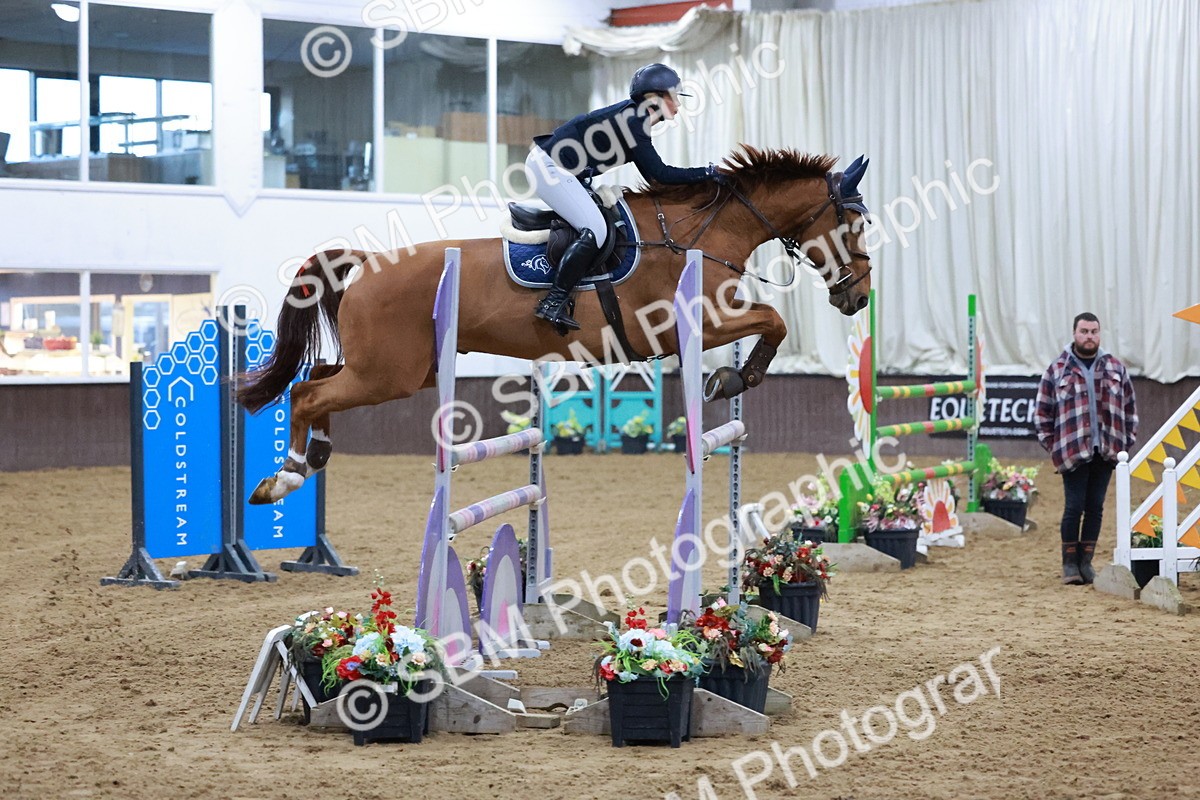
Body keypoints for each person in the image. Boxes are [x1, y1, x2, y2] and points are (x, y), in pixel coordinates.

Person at [525, 63, 725, 333]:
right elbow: (660, 174)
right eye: (675, 96)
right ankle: (553, 302)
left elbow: (655, 177)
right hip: (549, 168)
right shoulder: (635, 120)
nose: (678, 103)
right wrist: (708, 172)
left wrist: (705, 176)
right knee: (595, 230)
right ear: (656, 97)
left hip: (559, 168)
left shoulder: (634, 117)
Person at [1035, 312, 1138, 585]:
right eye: (1084, 331)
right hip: (1072, 451)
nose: (1089, 336)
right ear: (1074, 333)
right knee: (1074, 507)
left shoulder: (1116, 367)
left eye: (1094, 331)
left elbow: (1130, 409)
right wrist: (1055, 447)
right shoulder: (1057, 369)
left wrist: (1124, 445)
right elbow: (1042, 414)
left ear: (1099, 334)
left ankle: (1086, 562)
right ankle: (1069, 564)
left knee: (1096, 507)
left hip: (1107, 450)